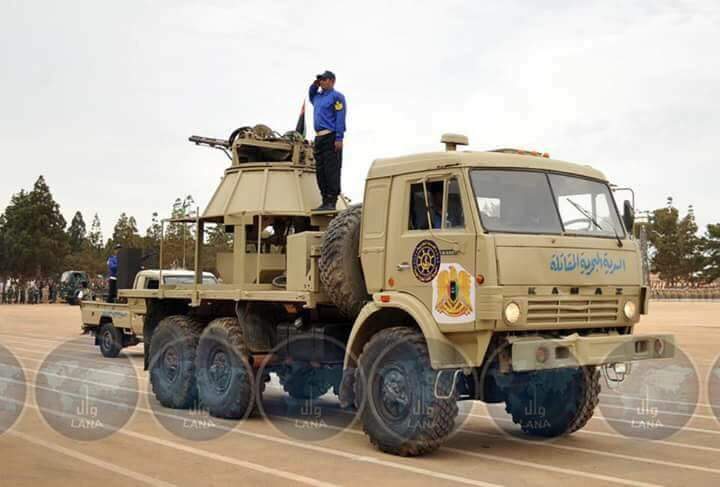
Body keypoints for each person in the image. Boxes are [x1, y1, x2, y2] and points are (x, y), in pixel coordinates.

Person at [308, 70, 346, 212]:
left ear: (331, 81)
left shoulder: (337, 97)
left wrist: (339, 137)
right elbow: (311, 94)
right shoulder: (318, 98)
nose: (322, 82)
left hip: (331, 136)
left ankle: (332, 200)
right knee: (320, 170)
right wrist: (314, 84)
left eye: (324, 79)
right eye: (320, 80)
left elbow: (340, 117)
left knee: (332, 170)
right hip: (319, 137)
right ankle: (324, 200)